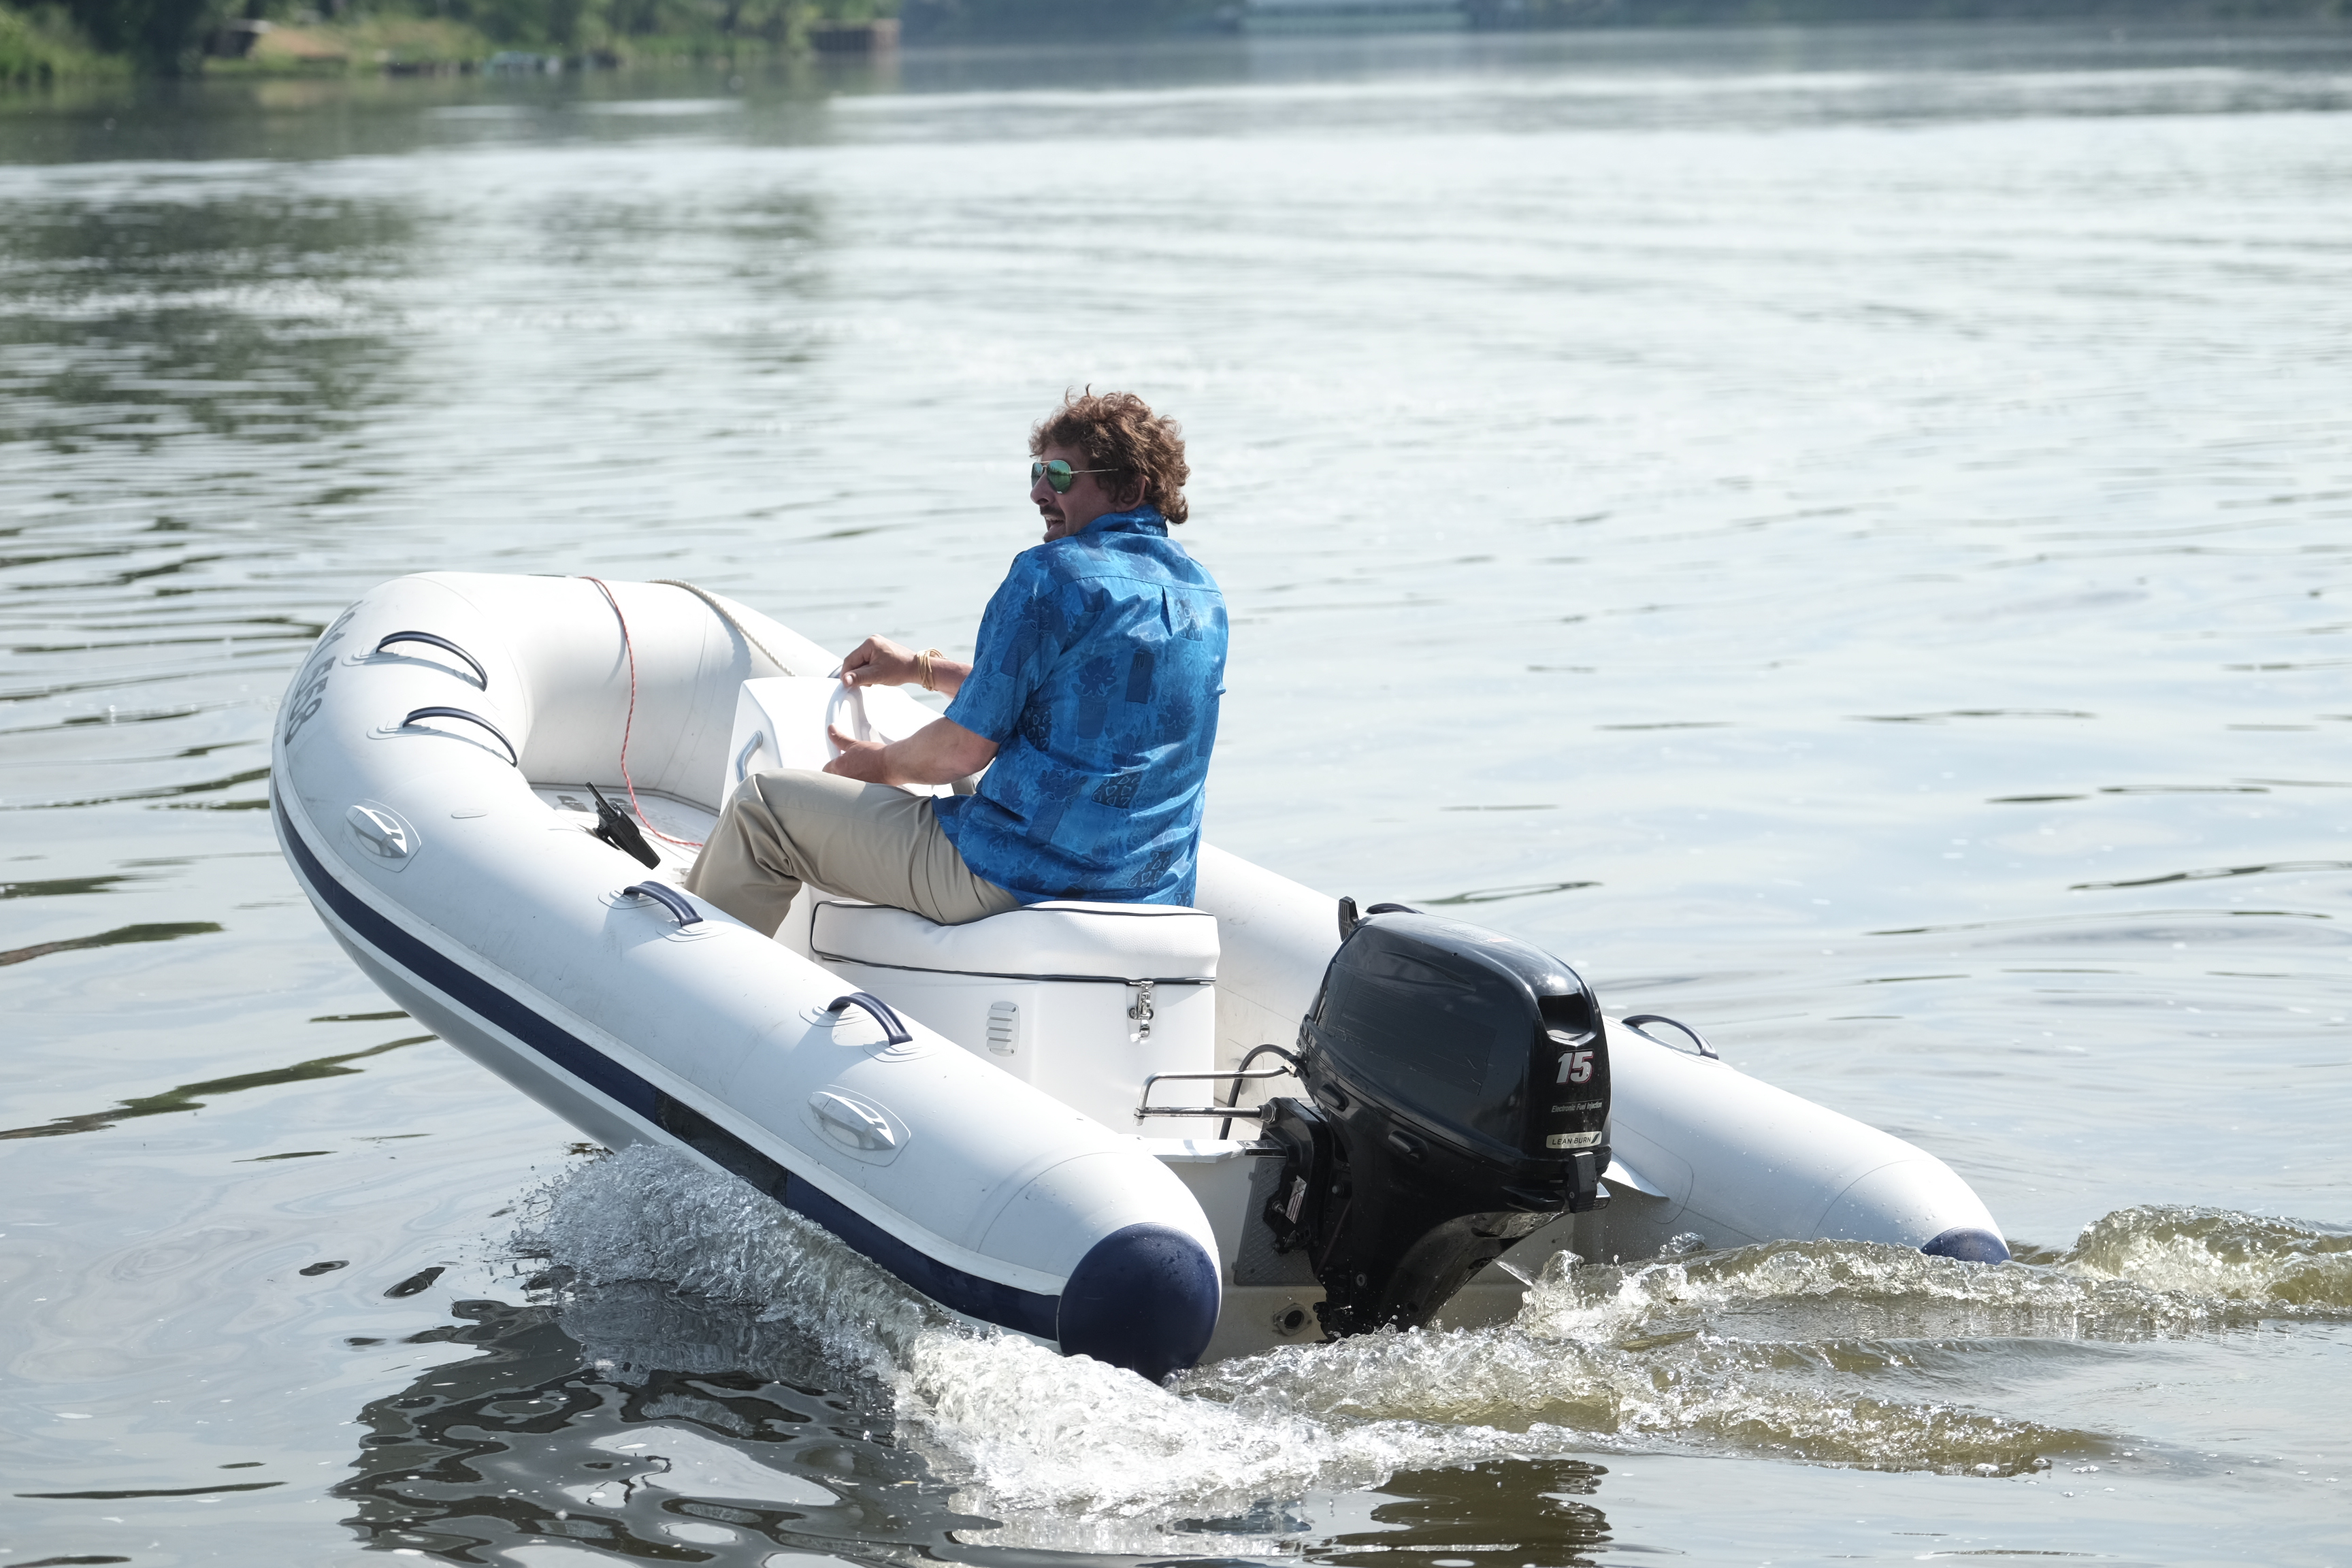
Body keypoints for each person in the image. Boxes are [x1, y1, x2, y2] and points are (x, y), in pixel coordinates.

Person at [684, 390, 1228, 937]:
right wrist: (924, 669)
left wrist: (878, 765)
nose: (1039, 491)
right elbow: (1083, 705)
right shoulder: (1203, 596)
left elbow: (961, 751)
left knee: (762, 810)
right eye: (1038, 472)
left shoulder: (1052, 574)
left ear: (1130, 488)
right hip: (1149, 893)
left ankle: (691, 992)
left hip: (1019, 879)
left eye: (1061, 475)